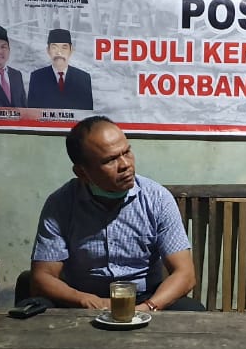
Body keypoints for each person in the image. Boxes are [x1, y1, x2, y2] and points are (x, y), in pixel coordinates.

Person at [29, 116, 202, 312]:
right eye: (110, 160)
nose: (125, 165)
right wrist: (87, 301)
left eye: (127, 152)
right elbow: (42, 277)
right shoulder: (61, 204)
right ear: (82, 173)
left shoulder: (157, 199)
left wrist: (147, 307)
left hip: (144, 298)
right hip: (82, 299)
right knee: (31, 311)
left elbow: (185, 274)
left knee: (192, 310)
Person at [26, 28, 93, 109]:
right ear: (48, 50)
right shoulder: (37, 77)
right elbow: (32, 111)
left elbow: (87, 112)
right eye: (54, 47)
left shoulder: (83, 78)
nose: (59, 52)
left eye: (64, 48)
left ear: (71, 50)